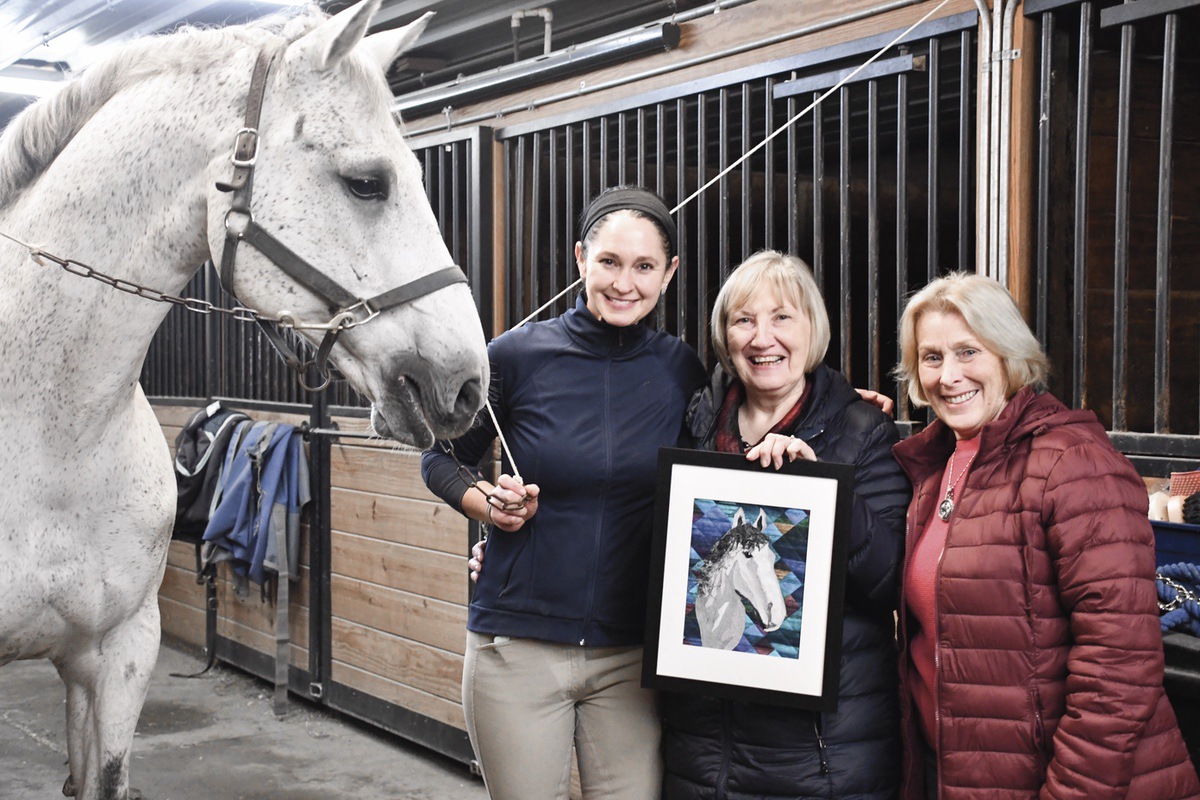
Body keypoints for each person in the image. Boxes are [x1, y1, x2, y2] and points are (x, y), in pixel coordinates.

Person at [420, 186, 707, 799]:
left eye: (644, 266)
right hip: (517, 649)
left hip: (632, 654)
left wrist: (839, 413)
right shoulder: (518, 356)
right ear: (580, 258)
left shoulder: (682, 370)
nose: (624, 282)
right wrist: (487, 507)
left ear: (669, 273)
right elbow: (439, 459)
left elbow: (740, 441)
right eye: (608, 261)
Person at [891, 271, 1200, 800]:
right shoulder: (932, 464)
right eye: (932, 357)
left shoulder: (1074, 463)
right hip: (965, 775)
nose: (948, 375)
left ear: (1010, 355)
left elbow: (1120, 671)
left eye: (969, 351)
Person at [659, 250, 909, 799]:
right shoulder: (695, 424)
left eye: (781, 318)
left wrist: (824, 491)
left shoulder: (863, 430)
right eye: (743, 320)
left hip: (819, 757)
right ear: (726, 336)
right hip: (704, 751)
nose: (761, 338)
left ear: (812, 329)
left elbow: (890, 580)